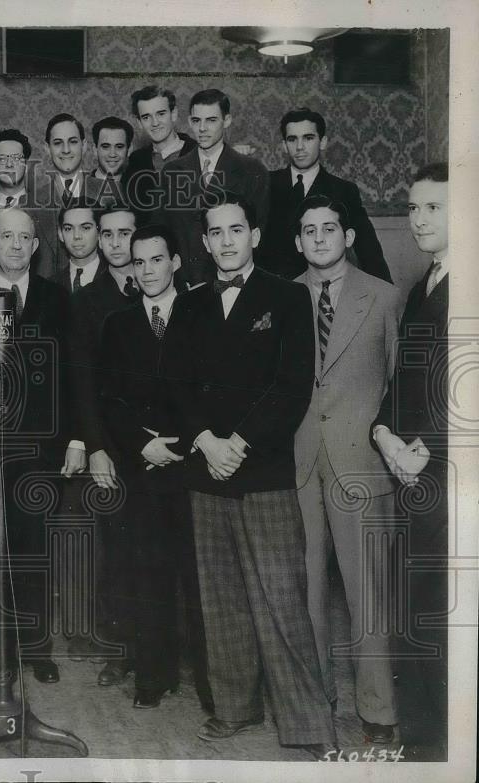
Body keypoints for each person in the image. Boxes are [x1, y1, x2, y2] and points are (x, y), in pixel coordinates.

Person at [163, 191, 336, 757]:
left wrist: (236, 442)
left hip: (262, 469)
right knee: (222, 602)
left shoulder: (287, 297)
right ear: (206, 242)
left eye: (237, 229)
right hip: (205, 468)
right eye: (217, 232)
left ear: (255, 236)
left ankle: (308, 723)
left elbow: (291, 388)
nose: (228, 240)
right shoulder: (188, 305)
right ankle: (235, 710)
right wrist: (206, 443)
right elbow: (178, 386)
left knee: (282, 599)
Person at [291, 193, 402, 744]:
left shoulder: (383, 298)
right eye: (308, 230)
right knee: (304, 590)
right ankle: (315, 707)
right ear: (297, 241)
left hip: (361, 463)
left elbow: (398, 383)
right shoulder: (283, 297)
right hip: (301, 461)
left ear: (349, 235)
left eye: (328, 228)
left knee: (367, 593)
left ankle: (378, 713)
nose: (318, 238)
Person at [0, 208, 71, 685]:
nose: (17, 245)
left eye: (26, 237)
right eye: (7, 236)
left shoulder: (56, 299)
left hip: (38, 447)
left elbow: (72, 374)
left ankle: (35, 645)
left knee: (32, 544)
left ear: (37, 245)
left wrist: (75, 439)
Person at [96, 224, 211, 712]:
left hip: (195, 467)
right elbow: (109, 399)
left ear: (176, 263)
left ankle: (212, 684)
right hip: (143, 469)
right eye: (138, 262)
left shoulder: (200, 315)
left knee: (202, 578)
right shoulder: (117, 325)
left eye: (156, 260)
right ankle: (154, 677)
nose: (146, 270)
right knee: (149, 577)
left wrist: (184, 443)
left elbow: (211, 389)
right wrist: (143, 446)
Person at [372, 162, 449, 750]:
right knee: (412, 608)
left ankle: (442, 747)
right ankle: (423, 742)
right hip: (411, 473)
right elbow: (405, 382)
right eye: (414, 208)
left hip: (449, 481)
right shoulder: (426, 283)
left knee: (439, 615)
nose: (419, 219)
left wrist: (428, 450)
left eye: (434, 208)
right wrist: (383, 433)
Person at [63, 203, 141, 683]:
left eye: (123, 233)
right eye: (106, 233)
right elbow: (82, 383)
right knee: (114, 545)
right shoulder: (87, 300)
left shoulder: (163, 286)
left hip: (161, 446)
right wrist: (95, 446)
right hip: (112, 444)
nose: (114, 243)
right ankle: (121, 648)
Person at [259, 108, 392, 282]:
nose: (300, 147)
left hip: (323, 290)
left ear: (322, 142)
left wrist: (386, 295)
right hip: (273, 288)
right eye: (292, 139)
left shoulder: (343, 190)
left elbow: (369, 250)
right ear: (284, 145)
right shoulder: (264, 184)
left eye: (308, 138)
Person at [160, 90, 270, 285]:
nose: (202, 128)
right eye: (196, 120)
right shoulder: (172, 171)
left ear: (226, 120)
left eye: (211, 120)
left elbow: (259, 233)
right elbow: (164, 231)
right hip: (183, 284)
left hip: (232, 282)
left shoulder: (252, 170)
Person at [34, 114, 104, 276]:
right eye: (58, 143)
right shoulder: (29, 203)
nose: (66, 150)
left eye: (73, 142)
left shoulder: (109, 194)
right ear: (47, 148)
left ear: (84, 145)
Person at [0, 128, 55, 276]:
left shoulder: (46, 210)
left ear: (26, 164)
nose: (10, 165)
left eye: (17, 158)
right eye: (2, 159)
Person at [123, 86, 197, 214]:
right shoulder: (135, 162)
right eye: (146, 117)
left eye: (161, 114)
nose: (155, 123)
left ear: (173, 114)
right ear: (139, 123)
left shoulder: (198, 152)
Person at [51, 199, 107, 295]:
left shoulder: (116, 278)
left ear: (99, 232)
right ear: (60, 234)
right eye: (68, 228)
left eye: (85, 228)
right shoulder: (50, 285)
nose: (76, 236)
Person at [90, 116, 133, 206]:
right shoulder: (77, 190)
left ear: (129, 150)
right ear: (95, 149)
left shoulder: (140, 190)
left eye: (119, 147)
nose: (112, 154)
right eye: (105, 146)